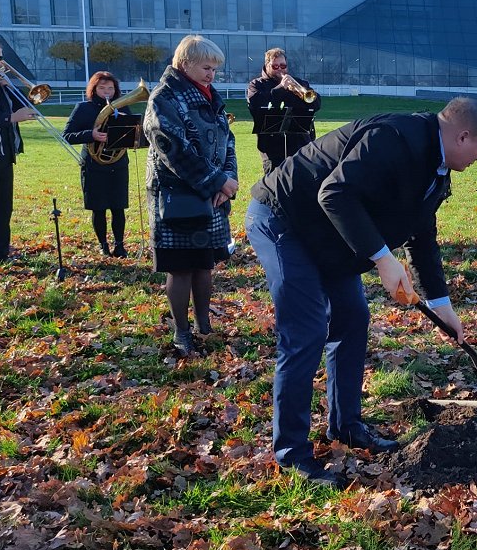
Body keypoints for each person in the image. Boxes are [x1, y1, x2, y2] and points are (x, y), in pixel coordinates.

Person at [245, 97, 477, 485]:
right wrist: (382, 257)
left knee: (352, 319)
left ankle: (346, 426)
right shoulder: (393, 138)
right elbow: (334, 193)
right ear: (462, 135)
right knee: (307, 330)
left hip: (330, 236)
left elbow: (421, 234)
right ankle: (291, 453)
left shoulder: (436, 169)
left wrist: (440, 303)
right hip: (284, 219)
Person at [143, 35, 238, 357]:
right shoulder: (164, 98)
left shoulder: (211, 96)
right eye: (206, 67)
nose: (212, 74)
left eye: (215, 69)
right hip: (177, 196)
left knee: (204, 265)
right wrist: (216, 181)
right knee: (181, 268)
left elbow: (229, 140)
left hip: (212, 195)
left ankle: (203, 325)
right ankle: (181, 332)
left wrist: (228, 180)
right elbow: (174, 149)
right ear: (185, 64)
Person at [62, 71, 135, 258]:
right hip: (94, 165)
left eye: (110, 88)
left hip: (117, 164)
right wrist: (91, 135)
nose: (107, 92)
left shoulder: (123, 108)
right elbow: (67, 135)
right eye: (102, 88)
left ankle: (120, 245)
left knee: (118, 207)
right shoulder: (83, 108)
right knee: (99, 207)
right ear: (94, 89)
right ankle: (103, 245)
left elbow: (132, 132)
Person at [0, 38, 34, 265]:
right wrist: (10, 118)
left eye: (0, 57)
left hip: (4, 156)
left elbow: (26, 103)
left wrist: (10, 87)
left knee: (2, 210)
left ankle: (0, 254)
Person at [247, 48, 321, 174]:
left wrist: (298, 92)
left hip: (301, 143)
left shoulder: (299, 82)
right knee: (275, 186)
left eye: (283, 66)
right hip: (271, 147)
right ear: (267, 65)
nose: (280, 69)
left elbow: (316, 103)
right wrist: (280, 88)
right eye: (275, 66)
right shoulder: (256, 84)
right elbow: (256, 104)